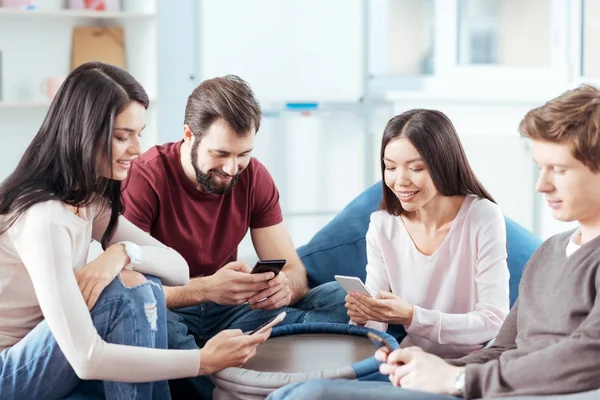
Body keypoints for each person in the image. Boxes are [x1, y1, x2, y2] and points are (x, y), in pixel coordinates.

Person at [267, 85, 600, 399]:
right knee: (295, 392)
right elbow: (501, 347)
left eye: (557, 169)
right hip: (470, 380)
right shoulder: (549, 254)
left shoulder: (484, 218)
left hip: (489, 385)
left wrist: (455, 377)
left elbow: (588, 353)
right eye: (540, 168)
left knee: (312, 395)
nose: (541, 185)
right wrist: (433, 370)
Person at [0, 62, 271, 400]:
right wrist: (202, 360)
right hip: (10, 370)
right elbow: (86, 359)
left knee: (140, 282)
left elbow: (179, 269)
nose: (136, 149)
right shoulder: (45, 217)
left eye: (138, 134)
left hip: (47, 349)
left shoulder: (86, 202)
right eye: (121, 137)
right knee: (125, 293)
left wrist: (122, 253)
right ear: (82, 132)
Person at [121, 75, 349, 396]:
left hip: (231, 314)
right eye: (220, 153)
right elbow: (127, 289)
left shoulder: (254, 176)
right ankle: (220, 381)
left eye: (243, 154)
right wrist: (206, 289)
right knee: (148, 320)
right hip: (170, 311)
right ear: (189, 135)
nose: (232, 168)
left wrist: (284, 289)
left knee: (340, 298)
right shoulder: (144, 178)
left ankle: (226, 370)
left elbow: (296, 271)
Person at [345, 109, 510, 359]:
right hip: (412, 358)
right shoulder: (383, 225)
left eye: (416, 168)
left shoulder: (482, 216)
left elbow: (494, 321)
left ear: (442, 163)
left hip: (478, 358)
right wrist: (364, 316)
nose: (400, 180)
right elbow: (376, 325)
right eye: (390, 167)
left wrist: (412, 316)